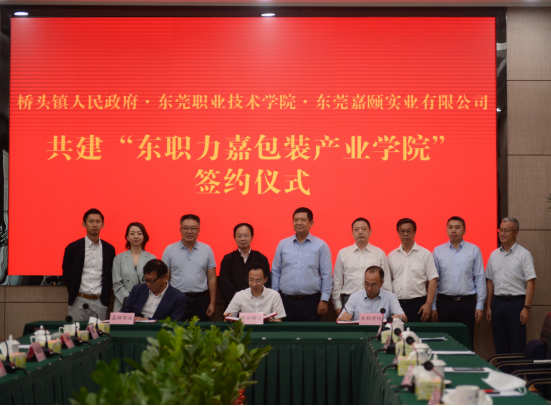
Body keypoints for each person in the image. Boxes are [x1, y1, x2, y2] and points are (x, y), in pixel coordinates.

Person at [432, 216, 486, 347]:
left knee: (466, 340)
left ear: (464, 230)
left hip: (467, 303)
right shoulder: (438, 251)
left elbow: (480, 279)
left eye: (457, 227)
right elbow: (434, 282)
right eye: (450, 227)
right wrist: (433, 306)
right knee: (444, 341)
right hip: (444, 303)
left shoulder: (474, 250)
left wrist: (479, 306)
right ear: (446, 230)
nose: (453, 230)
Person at [272, 207, 333, 322]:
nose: (299, 223)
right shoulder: (283, 244)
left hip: (311, 302)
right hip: (285, 301)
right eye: (296, 220)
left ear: (311, 223)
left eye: (303, 220)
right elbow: (276, 272)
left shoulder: (321, 245)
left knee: (310, 333)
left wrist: (324, 299)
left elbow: (326, 274)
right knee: (285, 332)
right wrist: (274, 298)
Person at [486, 217, 536, 355]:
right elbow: (489, 281)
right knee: (500, 346)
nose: (502, 233)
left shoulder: (524, 255)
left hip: (516, 304)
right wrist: (489, 306)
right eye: (501, 230)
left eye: (506, 230)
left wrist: (526, 308)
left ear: (516, 233)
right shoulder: (494, 255)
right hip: (497, 304)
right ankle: (504, 370)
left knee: (518, 345)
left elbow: (531, 282)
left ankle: (518, 370)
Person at [62, 209, 116, 321]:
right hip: (78, 300)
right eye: (91, 221)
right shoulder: (72, 248)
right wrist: (73, 292)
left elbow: (110, 275)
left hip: (100, 302)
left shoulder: (109, 249)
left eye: (98, 221)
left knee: (98, 332)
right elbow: (66, 274)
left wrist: (105, 299)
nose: (95, 225)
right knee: (75, 331)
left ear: (103, 225)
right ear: (84, 224)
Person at [162, 214, 217, 322]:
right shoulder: (169, 250)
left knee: (201, 331)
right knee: (177, 331)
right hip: (177, 298)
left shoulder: (207, 250)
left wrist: (212, 303)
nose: (189, 231)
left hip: (201, 299)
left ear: (198, 231)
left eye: (193, 228)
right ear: (180, 230)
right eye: (186, 228)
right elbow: (164, 279)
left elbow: (212, 278)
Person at [332, 218, 390, 317]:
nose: (360, 232)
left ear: (370, 232)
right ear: (352, 233)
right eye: (356, 229)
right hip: (349, 300)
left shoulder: (379, 253)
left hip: (374, 300)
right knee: (349, 327)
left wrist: (387, 303)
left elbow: (386, 282)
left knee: (374, 327)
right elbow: (337, 282)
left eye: (364, 229)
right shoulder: (343, 253)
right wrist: (337, 305)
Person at [388, 218, 438, 322]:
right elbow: (388, 281)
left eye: (409, 231)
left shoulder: (425, 254)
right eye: (402, 231)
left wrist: (428, 304)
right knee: (396, 332)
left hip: (419, 305)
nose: (405, 234)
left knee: (418, 332)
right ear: (398, 233)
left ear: (415, 232)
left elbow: (433, 280)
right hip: (397, 304)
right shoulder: (391, 256)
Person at [219, 223, 271, 306]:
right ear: (234, 238)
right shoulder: (227, 259)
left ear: (252, 237)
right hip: (233, 305)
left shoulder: (261, 258)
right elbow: (224, 283)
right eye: (239, 236)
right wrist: (238, 301)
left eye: (246, 235)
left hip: (257, 305)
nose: (243, 239)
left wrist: (255, 299)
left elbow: (266, 282)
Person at [122, 259, 187, 322]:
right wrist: (120, 315)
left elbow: (175, 322)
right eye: (146, 280)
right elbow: (125, 311)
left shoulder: (178, 297)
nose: (148, 284)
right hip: (135, 327)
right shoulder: (137, 290)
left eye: (152, 280)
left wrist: (148, 320)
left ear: (165, 277)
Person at [337, 266, 407, 322]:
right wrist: (342, 318)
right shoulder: (354, 298)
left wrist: (400, 317)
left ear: (382, 283)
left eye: (373, 285)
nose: (369, 288)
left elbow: (404, 318)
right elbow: (339, 319)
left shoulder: (390, 297)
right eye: (366, 284)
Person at [112, 222, 156, 311]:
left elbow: (154, 283)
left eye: (139, 233)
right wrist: (129, 300)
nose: (136, 236)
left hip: (145, 303)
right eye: (132, 234)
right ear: (127, 237)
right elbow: (117, 284)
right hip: (123, 302)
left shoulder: (152, 258)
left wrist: (141, 300)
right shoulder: (118, 259)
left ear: (144, 237)